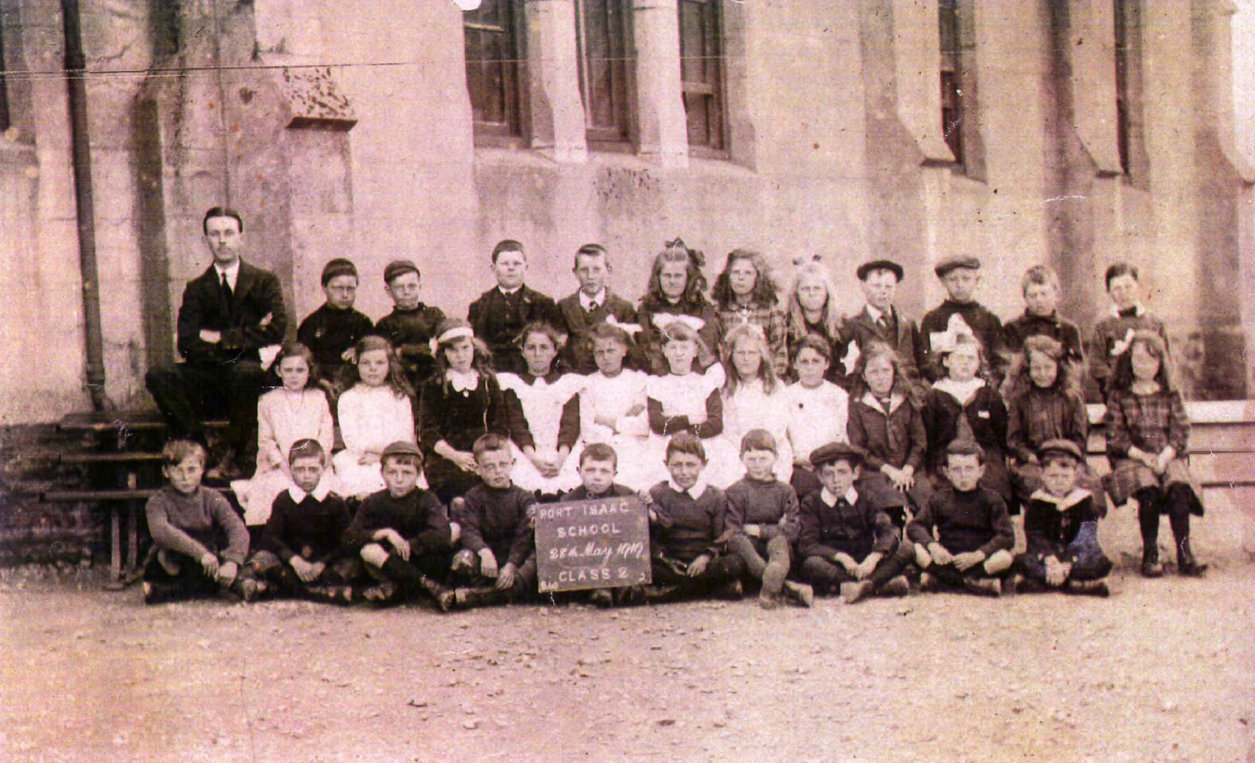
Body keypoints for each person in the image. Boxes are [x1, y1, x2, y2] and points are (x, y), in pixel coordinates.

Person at [145, 207, 286, 479]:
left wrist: (219, 337)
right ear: (206, 240)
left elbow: (276, 331)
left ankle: (232, 453)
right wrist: (248, 334)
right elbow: (186, 344)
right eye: (215, 234)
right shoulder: (196, 288)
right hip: (208, 380)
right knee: (159, 375)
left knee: (246, 371)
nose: (222, 240)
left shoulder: (263, 282)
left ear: (241, 237)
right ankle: (199, 444)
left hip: (247, 381)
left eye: (229, 233)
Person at [1103, 330, 1206, 577]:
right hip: (1134, 458)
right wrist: (1144, 457)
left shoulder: (1170, 393)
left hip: (1167, 455)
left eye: (1151, 359)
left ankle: (1184, 552)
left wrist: (1164, 456)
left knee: (1178, 486)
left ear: (1161, 362)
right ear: (1129, 361)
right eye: (1139, 360)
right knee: (1148, 490)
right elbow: (1116, 437)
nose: (1145, 366)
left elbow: (1180, 431)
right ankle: (1150, 554)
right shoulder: (1120, 395)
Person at [141, 439, 258, 604]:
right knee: (165, 560)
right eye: (177, 470)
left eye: (191, 470)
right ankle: (168, 590)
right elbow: (161, 531)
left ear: (202, 470)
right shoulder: (158, 501)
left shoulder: (212, 497)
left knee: (232, 556)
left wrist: (232, 561)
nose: (185, 477)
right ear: (165, 471)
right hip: (178, 557)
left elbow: (237, 529)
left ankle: (235, 582)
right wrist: (200, 554)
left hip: (209, 559)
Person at [344, 441, 457, 608]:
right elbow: (349, 538)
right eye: (392, 472)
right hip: (386, 564)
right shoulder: (373, 502)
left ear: (418, 475)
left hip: (418, 559)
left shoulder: (427, 499)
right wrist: (383, 533)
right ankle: (429, 587)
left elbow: (441, 534)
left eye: (407, 473)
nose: (399, 480)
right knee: (369, 552)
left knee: (452, 530)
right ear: (382, 473)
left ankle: (399, 589)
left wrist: (409, 545)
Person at [797, 442, 913, 603]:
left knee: (906, 548)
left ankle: (853, 586)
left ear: (855, 473)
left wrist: (873, 558)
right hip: (835, 565)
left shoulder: (866, 497)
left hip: (865, 563)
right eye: (829, 474)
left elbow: (889, 530)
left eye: (842, 472)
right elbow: (808, 544)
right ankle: (876, 585)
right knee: (811, 564)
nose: (836, 480)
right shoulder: (812, 502)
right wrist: (841, 557)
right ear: (819, 477)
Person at [237, 342, 335, 526]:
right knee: (276, 488)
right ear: (278, 371)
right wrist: (286, 466)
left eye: (300, 370)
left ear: (309, 371)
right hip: (281, 465)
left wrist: (314, 462)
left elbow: (326, 435)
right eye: (288, 370)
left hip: (315, 463)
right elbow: (266, 441)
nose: (294, 376)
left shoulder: (318, 397)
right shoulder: (268, 401)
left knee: (322, 489)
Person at [250, 439, 357, 604]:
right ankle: (318, 593)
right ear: (291, 469)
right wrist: (294, 560)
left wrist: (322, 563)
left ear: (322, 469)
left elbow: (346, 541)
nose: (306, 476)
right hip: (293, 563)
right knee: (261, 559)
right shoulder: (284, 499)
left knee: (351, 564)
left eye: (313, 469)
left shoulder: (335, 502)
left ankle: (286, 589)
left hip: (323, 564)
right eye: (300, 470)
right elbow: (271, 537)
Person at [419, 319, 514, 504]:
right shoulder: (434, 385)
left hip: (482, 450)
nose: (460, 355)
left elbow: (499, 423)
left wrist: (488, 454)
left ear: (474, 348)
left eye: (465, 348)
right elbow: (428, 431)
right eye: (453, 350)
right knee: (455, 487)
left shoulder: (487, 380)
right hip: (447, 454)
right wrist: (455, 456)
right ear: (443, 353)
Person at [644, 433, 746, 602]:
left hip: (704, 562)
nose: (684, 472)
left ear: (703, 464)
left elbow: (721, 537)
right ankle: (710, 588)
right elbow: (654, 537)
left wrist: (705, 557)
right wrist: (666, 560)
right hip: (670, 562)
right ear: (666, 465)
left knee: (734, 563)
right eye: (677, 465)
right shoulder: (658, 493)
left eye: (691, 465)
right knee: (646, 567)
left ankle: (672, 592)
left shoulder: (716, 496)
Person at [907, 441, 1016, 596]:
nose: (963, 476)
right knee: (916, 549)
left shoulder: (993, 499)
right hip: (947, 559)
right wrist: (933, 546)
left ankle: (943, 581)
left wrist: (979, 554)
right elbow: (915, 526)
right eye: (956, 470)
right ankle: (971, 583)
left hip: (979, 560)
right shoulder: (939, 499)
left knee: (1005, 557)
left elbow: (1007, 536)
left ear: (981, 470)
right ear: (947, 472)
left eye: (969, 469)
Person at [724, 430, 813, 608]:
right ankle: (781, 585)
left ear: (775, 457)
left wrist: (761, 531)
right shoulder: (736, 491)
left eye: (763, 459)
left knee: (779, 541)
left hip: (775, 543)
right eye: (751, 459)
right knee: (738, 541)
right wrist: (772, 527)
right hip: (748, 549)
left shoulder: (785, 490)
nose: (757, 465)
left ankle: (773, 580)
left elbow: (793, 529)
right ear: (741, 458)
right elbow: (733, 529)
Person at [644, 321, 740, 488]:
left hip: (704, 442)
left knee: (721, 472)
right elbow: (658, 424)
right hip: (666, 443)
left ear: (695, 350)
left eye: (684, 347)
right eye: (672, 348)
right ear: (664, 351)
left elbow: (715, 424)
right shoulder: (656, 384)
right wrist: (689, 419)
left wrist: (685, 431)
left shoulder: (706, 383)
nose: (678, 354)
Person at [1013, 439, 1112, 596]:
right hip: (1048, 558)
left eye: (1065, 476)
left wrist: (1067, 563)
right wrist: (1049, 559)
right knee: (1021, 561)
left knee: (1099, 562)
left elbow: (1086, 535)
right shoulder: (1037, 501)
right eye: (1053, 476)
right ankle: (1077, 584)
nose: (1059, 482)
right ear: (1042, 475)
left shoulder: (1084, 500)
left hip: (1076, 556)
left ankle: (1050, 581)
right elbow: (1034, 535)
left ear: (1076, 475)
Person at [846, 341, 930, 526]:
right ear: (864, 376)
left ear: (894, 372)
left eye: (885, 371)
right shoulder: (858, 406)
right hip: (876, 471)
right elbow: (859, 449)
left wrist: (908, 468)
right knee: (892, 506)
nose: (881, 377)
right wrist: (890, 471)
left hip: (910, 470)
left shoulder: (907, 401)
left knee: (925, 502)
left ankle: (925, 543)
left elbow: (919, 442)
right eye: (874, 372)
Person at [450, 434, 539, 607]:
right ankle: (483, 588)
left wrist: (512, 565)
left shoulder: (524, 498)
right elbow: (469, 530)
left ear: (512, 464)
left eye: (503, 465)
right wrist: (484, 551)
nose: (498, 471)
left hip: (514, 559)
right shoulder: (474, 496)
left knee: (536, 560)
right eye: (489, 467)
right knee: (463, 558)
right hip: (487, 559)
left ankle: (483, 596)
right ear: (478, 469)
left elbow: (524, 537)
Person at [923, 333, 1011, 509]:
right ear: (946, 361)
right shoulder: (934, 394)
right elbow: (928, 437)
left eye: (971, 358)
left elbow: (1002, 434)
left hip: (984, 456)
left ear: (979, 362)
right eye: (959, 357)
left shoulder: (989, 394)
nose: (965, 363)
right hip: (947, 457)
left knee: (993, 487)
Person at [497, 322, 584, 497]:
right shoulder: (513, 384)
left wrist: (560, 459)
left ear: (555, 351)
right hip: (526, 451)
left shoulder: (568, 383)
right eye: (531, 348)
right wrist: (534, 459)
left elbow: (570, 424)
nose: (537, 354)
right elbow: (516, 425)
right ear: (522, 351)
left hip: (563, 452)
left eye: (544, 347)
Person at [1006, 335, 1092, 511]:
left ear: (1059, 368)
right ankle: (1042, 537)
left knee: (1088, 489)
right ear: (1027, 370)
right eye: (1036, 368)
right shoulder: (1020, 399)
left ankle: (1082, 537)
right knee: (1039, 490)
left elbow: (1080, 438)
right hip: (1033, 462)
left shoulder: (1071, 397)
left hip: (1068, 460)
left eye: (1048, 367)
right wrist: (1032, 457)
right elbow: (1014, 440)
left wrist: (1065, 460)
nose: (1042, 374)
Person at [332, 335, 418, 500]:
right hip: (361, 457)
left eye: (379, 363)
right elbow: (352, 440)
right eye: (366, 363)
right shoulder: (349, 398)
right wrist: (377, 454)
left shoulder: (399, 397)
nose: (373, 368)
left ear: (389, 365)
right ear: (356, 364)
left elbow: (405, 435)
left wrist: (382, 455)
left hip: (396, 455)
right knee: (361, 481)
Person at [560, 443, 639, 608]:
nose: (597, 477)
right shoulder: (568, 501)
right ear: (578, 471)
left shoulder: (627, 496)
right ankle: (592, 590)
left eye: (604, 471)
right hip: (585, 558)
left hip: (617, 557)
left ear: (614, 474)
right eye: (590, 470)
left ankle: (608, 591)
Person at [468, 239, 563, 374]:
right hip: (492, 372)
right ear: (493, 268)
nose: (511, 268)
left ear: (526, 267)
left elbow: (555, 344)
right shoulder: (480, 306)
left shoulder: (543, 304)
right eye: (505, 263)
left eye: (516, 263)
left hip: (531, 372)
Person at [577, 323, 652, 490]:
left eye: (611, 351)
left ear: (624, 350)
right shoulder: (588, 384)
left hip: (634, 447)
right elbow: (587, 429)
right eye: (599, 352)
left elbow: (643, 425)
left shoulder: (637, 381)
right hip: (600, 449)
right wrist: (622, 424)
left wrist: (607, 421)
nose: (605, 357)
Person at [721, 324, 793, 484]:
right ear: (732, 356)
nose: (746, 358)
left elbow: (778, 427)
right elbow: (728, 430)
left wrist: (759, 454)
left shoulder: (776, 387)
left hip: (771, 450)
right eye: (740, 353)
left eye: (752, 353)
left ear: (761, 356)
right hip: (737, 452)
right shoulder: (725, 389)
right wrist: (746, 454)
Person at [636, 239, 722, 374]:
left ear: (688, 278)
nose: (672, 281)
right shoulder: (646, 309)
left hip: (695, 377)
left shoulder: (703, 309)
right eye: (666, 275)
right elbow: (646, 348)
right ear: (657, 277)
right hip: (659, 377)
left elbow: (707, 347)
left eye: (678, 276)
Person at [1088, 262, 1171, 399]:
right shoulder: (1103, 327)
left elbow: (1166, 361)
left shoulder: (1155, 324)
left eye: (1128, 286)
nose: (1123, 293)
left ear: (1138, 286)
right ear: (1108, 292)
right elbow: (1096, 365)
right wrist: (1118, 384)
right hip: (1116, 397)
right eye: (1117, 288)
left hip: (1151, 395)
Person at [918, 255, 1005, 384]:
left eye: (966, 279)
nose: (959, 285)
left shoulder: (989, 319)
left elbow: (1000, 362)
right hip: (945, 391)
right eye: (953, 279)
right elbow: (927, 362)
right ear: (943, 281)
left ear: (977, 280)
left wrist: (986, 387)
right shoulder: (933, 319)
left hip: (982, 390)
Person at [557, 244, 640, 374]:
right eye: (584, 270)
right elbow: (558, 350)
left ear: (608, 270)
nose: (590, 276)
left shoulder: (623, 308)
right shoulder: (564, 307)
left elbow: (630, 353)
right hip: (574, 378)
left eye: (597, 269)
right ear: (575, 272)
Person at [785, 335, 850, 500]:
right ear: (795, 364)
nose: (810, 368)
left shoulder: (838, 395)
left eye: (816, 361)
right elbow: (782, 436)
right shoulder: (786, 395)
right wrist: (797, 460)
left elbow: (843, 435)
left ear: (826, 363)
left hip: (830, 464)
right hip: (799, 467)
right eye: (804, 362)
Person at [841, 259, 923, 386]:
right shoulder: (853, 325)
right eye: (877, 286)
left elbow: (922, 363)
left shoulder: (908, 323)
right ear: (863, 286)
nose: (883, 291)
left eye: (888, 286)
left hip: (909, 395)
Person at [712, 248, 788, 376]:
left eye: (748, 273)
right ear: (728, 277)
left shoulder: (770, 311)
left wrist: (769, 379)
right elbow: (717, 351)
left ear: (758, 277)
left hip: (765, 380)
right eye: (736, 272)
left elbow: (779, 351)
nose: (741, 278)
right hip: (729, 380)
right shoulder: (719, 312)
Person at [296, 258, 373, 383]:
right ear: (324, 288)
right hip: (320, 384)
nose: (345, 295)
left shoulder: (363, 323)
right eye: (338, 288)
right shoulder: (311, 324)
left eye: (350, 289)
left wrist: (359, 350)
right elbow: (302, 362)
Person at [373, 259, 447, 390]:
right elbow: (387, 356)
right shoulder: (385, 325)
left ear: (420, 286)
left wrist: (402, 350)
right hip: (402, 384)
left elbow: (445, 346)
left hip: (435, 381)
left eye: (411, 286)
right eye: (399, 287)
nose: (406, 292)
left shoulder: (434, 315)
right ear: (388, 291)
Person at [1001, 264, 1084, 372]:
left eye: (1044, 294)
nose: (1039, 300)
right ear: (1025, 297)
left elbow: (1077, 369)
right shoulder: (1013, 328)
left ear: (1056, 294)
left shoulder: (1069, 329)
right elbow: (1009, 367)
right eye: (1033, 295)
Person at [784, 257, 852, 386]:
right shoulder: (786, 325)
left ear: (827, 292)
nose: (811, 293)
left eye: (817, 288)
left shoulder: (842, 326)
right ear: (796, 293)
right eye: (805, 289)